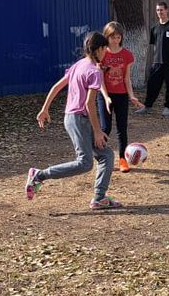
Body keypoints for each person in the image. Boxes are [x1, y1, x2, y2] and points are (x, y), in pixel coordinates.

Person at [25, 31, 121, 210]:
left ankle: (99, 198)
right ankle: (39, 175)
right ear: (99, 49)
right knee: (85, 163)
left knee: (106, 155)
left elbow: (57, 86)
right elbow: (89, 104)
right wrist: (98, 131)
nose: (106, 53)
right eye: (105, 49)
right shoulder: (94, 71)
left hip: (71, 118)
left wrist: (45, 108)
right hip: (79, 120)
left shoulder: (78, 65)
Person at [98, 21, 144, 173]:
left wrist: (131, 96)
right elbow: (100, 79)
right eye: (112, 37)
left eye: (118, 37)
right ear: (107, 37)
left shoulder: (127, 55)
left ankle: (123, 160)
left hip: (122, 96)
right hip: (105, 95)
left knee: (122, 128)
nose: (115, 40)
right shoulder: (102, 54)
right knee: (105, 127)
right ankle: (100, 157)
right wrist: (105, 97)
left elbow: (126, 79)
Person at [135, 2, 169, 117]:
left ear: (167, 10)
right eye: (158, 10)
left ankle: (167, 108)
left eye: (162, 10)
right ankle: (147, 106)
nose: (160, 12)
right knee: (152, 85)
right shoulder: (154, 28)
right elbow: (154, 45)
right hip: (156, 62)